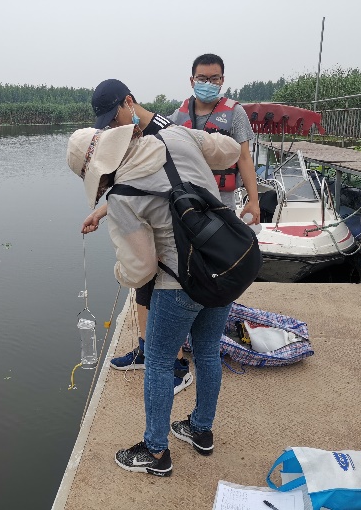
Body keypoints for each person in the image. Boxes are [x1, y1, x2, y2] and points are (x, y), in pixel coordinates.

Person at [67, 123, 241, 476]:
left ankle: (156, 451)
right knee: (208, 352)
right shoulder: (176, 135)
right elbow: (231, 152)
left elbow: (141, 269)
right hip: (225, 265)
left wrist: (119, 271)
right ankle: (201, 430)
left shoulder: (122, 198)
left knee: (159, 362)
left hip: (180, 283)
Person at [83, 79, 191, 395]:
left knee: (165, 297)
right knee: (143, 289)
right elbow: (132, 185)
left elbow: (182, 185)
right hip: (147, 229)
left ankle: (178, 366)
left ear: (128, 102)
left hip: (171, 233)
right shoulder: (132, 135)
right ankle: (145, 350)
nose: (113, 127)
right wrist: (102, 212)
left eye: (113, 118)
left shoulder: (166, 134)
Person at [169, 53, 260, 223]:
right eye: (202, 79)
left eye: (214, 79)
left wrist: (254, 201)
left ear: (222, 80)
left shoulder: (235, 113)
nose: (208, 84)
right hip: (187, 201)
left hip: (222, 203)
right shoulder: (179, 115)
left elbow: (244, 157)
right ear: (192, 81)